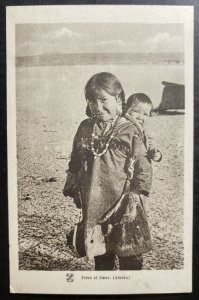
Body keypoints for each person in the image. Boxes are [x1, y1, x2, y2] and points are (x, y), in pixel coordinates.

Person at [63, 72, 153, 270]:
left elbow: (143, 166)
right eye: (92, 101)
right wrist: (73, 185)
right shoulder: (86, 128)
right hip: (94, 202)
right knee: (102, 255)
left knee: (130, 254)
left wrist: (136, 197)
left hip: (123, 202)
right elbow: (76, 158)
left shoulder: (129, 130)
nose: (98, 107)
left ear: (119, 99)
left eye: (104, 100)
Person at [125, 93, 162, 162]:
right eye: (136, 111)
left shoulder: (144, 129)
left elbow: (150, 143)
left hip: (140, 163)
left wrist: (155, 153)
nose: (140, 117)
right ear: (126, 109)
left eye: (145, 114)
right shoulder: (122, 125)